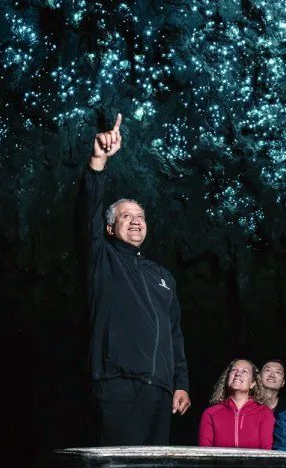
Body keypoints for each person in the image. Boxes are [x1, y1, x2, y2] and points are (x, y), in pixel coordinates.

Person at [80, 114, 190, 445]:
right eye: (126, 216)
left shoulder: (163, 277)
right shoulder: (102, 258)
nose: (136, 221)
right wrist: (98, 161)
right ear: (110, 228)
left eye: (140, 216)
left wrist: (180, 382)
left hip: (159, 391)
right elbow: (87, 214)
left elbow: (175, 335)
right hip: (117, 385)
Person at [198, 359, 275, 449]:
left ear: (252, 384)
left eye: (245, 371)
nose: (238, 374)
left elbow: (267, 453)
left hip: (253, 464)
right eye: (234, 370)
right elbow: (205, 454)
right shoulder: (210, 414)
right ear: (227, 379)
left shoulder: (264, 413)